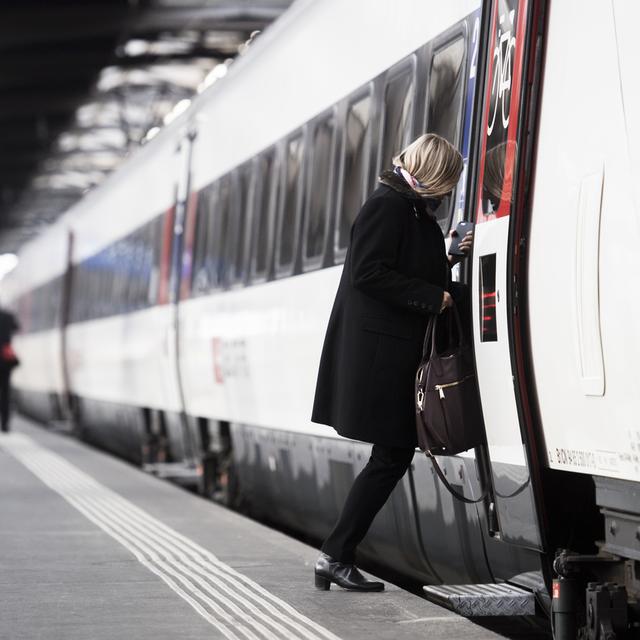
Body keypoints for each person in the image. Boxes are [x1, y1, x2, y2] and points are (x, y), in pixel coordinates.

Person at [311, 133, 473, 591]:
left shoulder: (409, 208)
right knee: (392, 455)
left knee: (391, 455)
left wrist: (448, 259)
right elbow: (368, 272)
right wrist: (432, 297)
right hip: (380, 357)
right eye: (446, 182)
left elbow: (404, 265)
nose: (446, 192)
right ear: (435, 175)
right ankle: (334, 556)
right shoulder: (388, 206)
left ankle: (335, 555)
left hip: (391, 351)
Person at [0, 307, 19, 432]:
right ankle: (5, 425)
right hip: (4, 360)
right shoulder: (8, 316)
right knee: (5, 393)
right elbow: (16, 328)